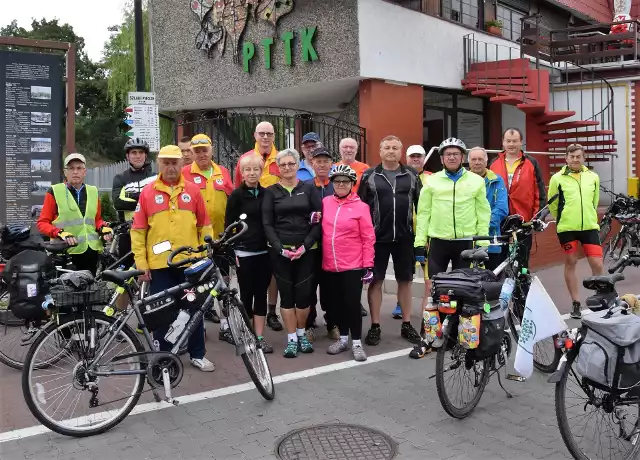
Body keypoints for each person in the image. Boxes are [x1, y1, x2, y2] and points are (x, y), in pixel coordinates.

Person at [131, 144, 215, 372]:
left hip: (190, 263)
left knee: (194, 308)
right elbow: (138, 231)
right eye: (165, 162)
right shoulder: (148, 192)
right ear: (159, 164)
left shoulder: (193, 191)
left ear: (182, 164)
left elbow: (205, 226)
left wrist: (204, 255)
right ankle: (164, 355)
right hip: (159, 265)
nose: (170, 167)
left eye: (174, 162)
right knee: (161, 312)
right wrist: (141, 263)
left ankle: (198, 354)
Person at [412, 138, 490, 359]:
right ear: (442, 158)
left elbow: (483, 213)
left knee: (463, 292)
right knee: (434, 293)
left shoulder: (476, 181)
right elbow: (423, 214)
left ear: (462, 157)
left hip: (465, 244)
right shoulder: (432, 181)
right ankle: (427, 338)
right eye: (448, 154)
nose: (452, 157)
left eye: (456, 153)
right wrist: (419, 243)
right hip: (438, 242)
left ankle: (457, 337)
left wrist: (482, 244)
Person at [358, 135, 422, 346]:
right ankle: (375, 326)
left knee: (406, 280)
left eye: (395, 147)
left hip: (404, 237)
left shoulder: (411, 175)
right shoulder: (369, 176)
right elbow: (361, 207)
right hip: (377, 238)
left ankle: (406, 324)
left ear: (401, 152)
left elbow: (421, 207)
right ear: (380, 150)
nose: (391, 151)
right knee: (376, 281)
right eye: (387, 147)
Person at [262, 148, 322, 358]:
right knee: (287, 298)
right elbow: (267, 224)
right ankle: (291, 340)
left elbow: (318, 220)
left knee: (304, 297)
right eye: (283, 164)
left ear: (298, 165)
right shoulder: (271, 192)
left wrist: (305, 245)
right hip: (280, 253)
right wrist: (279, 247)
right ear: (278, 168)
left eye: (291, 164)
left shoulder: (309, 189)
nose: (287, 167)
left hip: (307, 251)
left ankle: (301, 333)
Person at [182, 134, 234, 342]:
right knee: (196, 286)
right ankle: (197, 326)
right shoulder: (184, 173)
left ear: (211, 150)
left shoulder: (223, 172)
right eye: (197, 150)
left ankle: (225, 326)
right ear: (192, 153)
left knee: (223, 284)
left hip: (221, 240)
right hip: (196, 243)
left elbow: (232, 200)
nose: (202, 154)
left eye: (205, 149)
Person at [322, 164, 375, 362]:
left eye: (345, 181)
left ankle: (357, 343)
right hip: (330, 264)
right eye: (337, 181)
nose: (341, 185)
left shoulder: (361, 207)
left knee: (352, 304)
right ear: (332, 184)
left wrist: (368, 265)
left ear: (352, 184)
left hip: (353, 265)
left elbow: (368, 238)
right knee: (337, 305)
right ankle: (343, 339)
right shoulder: (326, 202)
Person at [234, 121, 283, 332]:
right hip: (246, 246)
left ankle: (270, 315)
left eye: (269, 134)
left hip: (268, 239)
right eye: (261, 133)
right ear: (255, 135)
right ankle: (246, 329)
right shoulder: (244, 160)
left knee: (268, 282)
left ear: (274, 136)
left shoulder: (281, 159)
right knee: (247, 291)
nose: (265, 137)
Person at [548, 144, 604, 319]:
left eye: (578, 156)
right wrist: (563, 219)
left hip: (589, 227)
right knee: (571, 261)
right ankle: (576, 303)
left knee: (597, 264)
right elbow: (552, 204)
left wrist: (589, 216)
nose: (575, 159)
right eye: (571, 156)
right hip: (567, 228)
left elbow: (594, 202)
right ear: (566, 158)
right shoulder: (557, 178)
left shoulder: (593, 177)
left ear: (583, 158)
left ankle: (600, 297)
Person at [225, 153, 273, 353]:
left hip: (264, 252)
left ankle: (259, 337)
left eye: (255, 169)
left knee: (261, 294)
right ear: (242, 173)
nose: (252, 173)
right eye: (247, 170)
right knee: (246, 295)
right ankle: (246, 336)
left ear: (261, 172)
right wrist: (231, 250)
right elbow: (229, 226)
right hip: (244, 253)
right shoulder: (236, 195)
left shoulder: (267, 194)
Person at [37, 153, 112, 275]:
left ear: (85, 172)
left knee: (90, 290)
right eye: (71, 168)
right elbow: (42, 223)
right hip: (66, 253)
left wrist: (103, 227)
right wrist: (60, 233)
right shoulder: (55, 191)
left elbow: (96, 219)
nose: (75, 172)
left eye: (79, 168)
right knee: (66, 292)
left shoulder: (93, 191)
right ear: (65, 172)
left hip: (91, 252)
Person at [490, 128, 546, 269]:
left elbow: (539, 193)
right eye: (508, 141)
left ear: (521, 142)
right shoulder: (493, 163)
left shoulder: (531, 163)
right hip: (499, 221)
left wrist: (536, 218)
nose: (511, 144)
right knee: (498, 262)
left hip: (523, 221)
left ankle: (521, 290)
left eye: (515, 141)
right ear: (503, 143)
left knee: (521, 264)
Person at [304, 147, 337, 342]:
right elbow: (299, 212)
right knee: (308, 287)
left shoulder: (337, 185)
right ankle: (309, 323)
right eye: (318, 161)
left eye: (326, 161)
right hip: (311, 245)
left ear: (331, 164)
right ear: (312, 163)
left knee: (330, 288)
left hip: (333, 246)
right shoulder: (305, 186)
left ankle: (332, 323)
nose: (322, 164)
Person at [337, 137, 370, 317]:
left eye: (351, 147)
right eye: (345, 147)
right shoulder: (334, 167)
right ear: (340, 149)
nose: (348, 149)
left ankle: (357, 302)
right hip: (339, 220)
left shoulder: (365, 169)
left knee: (356, 267)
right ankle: (342, 302)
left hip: (358, 219)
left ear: (356, 150)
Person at [468, 147, 509, 271]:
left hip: (492, 241)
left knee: (492, 280)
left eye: (480, 159)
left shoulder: (497, 181)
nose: (477, 162)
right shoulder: (462, 181)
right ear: (469, 162)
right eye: (474, 159)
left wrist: (482, 227)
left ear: (486, 162)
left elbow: (501, 209)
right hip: (468, 239)